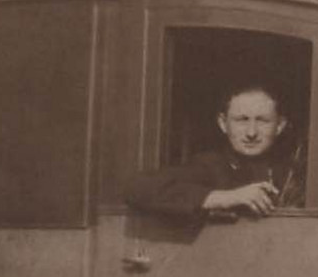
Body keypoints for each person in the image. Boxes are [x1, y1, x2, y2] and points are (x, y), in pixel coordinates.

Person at [125, 82, 304, 219]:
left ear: (280, 125)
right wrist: (225, 198)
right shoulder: (210, 165)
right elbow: (137, 188)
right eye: (241, 120)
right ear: (222, 123)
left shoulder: (293, 170)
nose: (251, 132)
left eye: (263, 121)